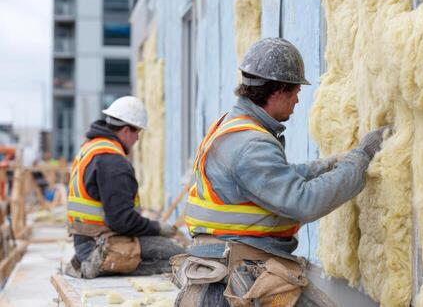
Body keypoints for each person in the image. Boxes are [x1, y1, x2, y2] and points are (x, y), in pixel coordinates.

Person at [173, 38, 390, 306]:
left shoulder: (234, 126)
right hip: (232, 278)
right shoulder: (250, 145)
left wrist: (330, 164)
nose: (298, 100)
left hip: (224, 262)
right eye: (296, 91)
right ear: (278, 91)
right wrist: (360, 159)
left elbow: (277, 177)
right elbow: (304, 202)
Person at [65, 96, 184, 279]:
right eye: (137, 132)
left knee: (167, 249)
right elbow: (122, 221)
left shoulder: (91, 148)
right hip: (98, 247)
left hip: (85, 241)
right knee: (179, 255)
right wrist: (157, 228)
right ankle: (94, 265)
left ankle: (86, 262)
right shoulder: (112, 161)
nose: (137, 139)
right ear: (127, 130)